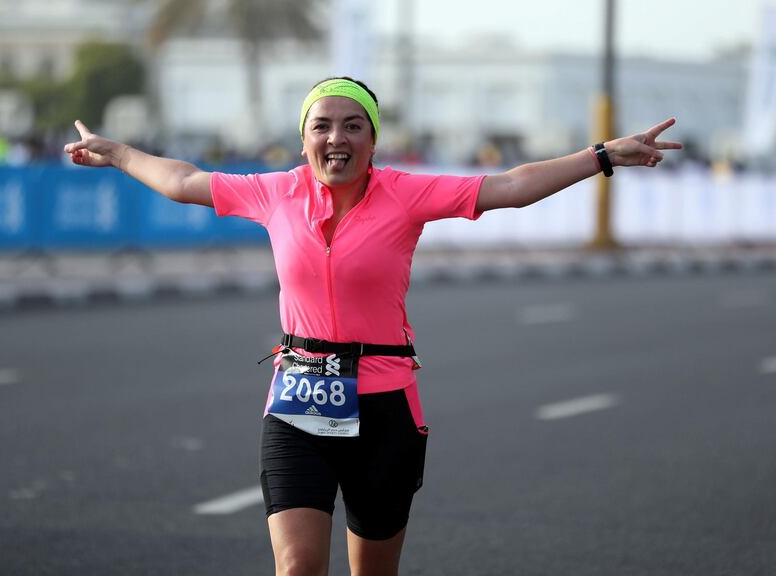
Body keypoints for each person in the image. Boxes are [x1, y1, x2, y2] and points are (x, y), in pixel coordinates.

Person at [64, 76, 682, 576]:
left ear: (373, 141)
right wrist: (115, 152)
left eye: (352, 126)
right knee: (298, 565)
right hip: (297, 407)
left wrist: (602, 156)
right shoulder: (275, 192)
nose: (337, 137)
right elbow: (182, 181)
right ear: (303, 138)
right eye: (322, 125)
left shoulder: (405, 195)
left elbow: (510, 187)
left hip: (384, 410)